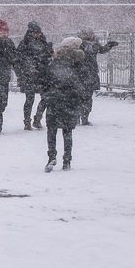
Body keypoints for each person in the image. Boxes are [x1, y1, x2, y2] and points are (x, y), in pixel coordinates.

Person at [42, 36, 88, 172]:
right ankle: (67, 160)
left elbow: (45, 79)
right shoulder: (78, 62)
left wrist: (47, 94)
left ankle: (51, 157)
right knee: (67, 132)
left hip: (54, 99)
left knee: (52, 130)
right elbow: (82, 81)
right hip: (70, 101)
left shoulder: (54, 61)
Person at [16, 21, 52, 130]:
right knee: (30, 99)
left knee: (45, 98)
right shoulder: (25, 43)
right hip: (30, 75)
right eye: (35, 32)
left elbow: (48, 56)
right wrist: (26, 69)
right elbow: (19, 59)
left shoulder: (42, 42)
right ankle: (28, 121)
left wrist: (49, 53)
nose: (38, 34)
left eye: (39, 32)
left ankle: (37, 118)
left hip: (42, 74)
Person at [78, 28, 118, 125]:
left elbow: (101, 50)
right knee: (78, 97)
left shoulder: (95, 44)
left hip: (91, 72)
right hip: (80, 73)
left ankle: (84, 117)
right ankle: (76, 117)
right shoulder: (79, 43)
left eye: (92, 33)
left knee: (88, 97)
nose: (92, 35)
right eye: (90, 33)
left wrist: (109, 45)